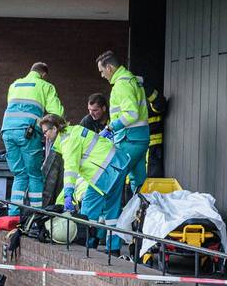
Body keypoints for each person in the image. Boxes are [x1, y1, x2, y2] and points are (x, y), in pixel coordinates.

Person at [39, 113, 127, 252]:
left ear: (55, 129)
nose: (45, 136)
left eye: (45, 132)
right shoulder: (74, 130)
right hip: (118, 163)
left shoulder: (67, 141)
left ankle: (88, 246)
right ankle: (113, 249)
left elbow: (70, 169)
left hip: (104, 172)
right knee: (112, 211)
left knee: (86, 213)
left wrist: (68, 194)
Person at [0, 62, 62, 215]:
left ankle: (14, 215)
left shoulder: (15, 85)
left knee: (19, 175)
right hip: (28, 133)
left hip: (7, 131)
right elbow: (56, 113)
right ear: (43, 75)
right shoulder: (45, 86)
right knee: (34, 175)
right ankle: (35, 215)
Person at [97, 51, 149, 199]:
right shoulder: (132, 80)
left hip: (128, 140)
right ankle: (140, 215)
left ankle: (110, 219)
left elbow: (131, 114)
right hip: (139, 139)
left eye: (102, 71)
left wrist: (110, 128)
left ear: (109, 68)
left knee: (112, 179)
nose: (102, 75)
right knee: (139, 183)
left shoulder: (121, 85)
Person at [145, 89, 168, 178]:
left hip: (153, 149)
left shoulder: (147, 103)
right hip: (141, 149)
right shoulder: (130, 106)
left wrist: (146, 88)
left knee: (152, 181)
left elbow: (160, 103)